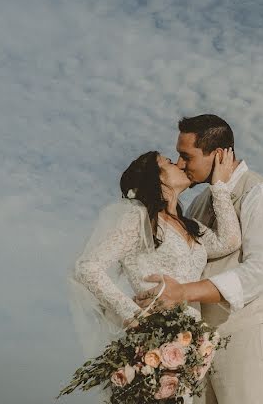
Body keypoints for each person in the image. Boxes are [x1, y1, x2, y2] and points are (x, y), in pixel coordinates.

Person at [136, 114, 263, 404]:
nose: (180, 164)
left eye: (186, 156)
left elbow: (257, 273)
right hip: (196, 348)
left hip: (248, 343)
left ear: (217, 154)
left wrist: (183, 293)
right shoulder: (198, 203)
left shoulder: (260, 194)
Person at [70, 148, 240, 355]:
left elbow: (229, 241)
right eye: (169, 162)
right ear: (156, 178)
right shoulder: (139, 220)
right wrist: (133, 315)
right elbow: (87, 267)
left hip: (190, 343)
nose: (179, 164)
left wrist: (219, 187)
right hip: (152, 340)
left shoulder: (191, 227)